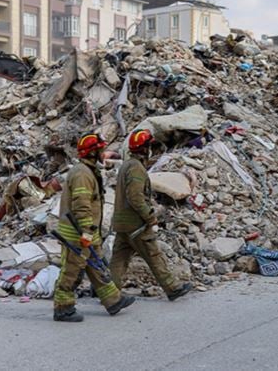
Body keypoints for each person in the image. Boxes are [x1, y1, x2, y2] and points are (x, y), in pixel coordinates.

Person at [53, 132, 134, 322]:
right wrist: (86, 232)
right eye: (101, 150)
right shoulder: (82, 174)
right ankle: (63, 308)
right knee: (72, 270)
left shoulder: (88, 170)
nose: (104, 153)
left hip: (89, 231)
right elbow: (82, 205)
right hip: (78, 233)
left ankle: (113, 300)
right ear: (93, 152)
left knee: (97, 267)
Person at [109, 129, 193, 301]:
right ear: (144, 149)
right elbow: (136, 197)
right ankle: (172, 287)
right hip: (136, 224)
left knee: (119, 259)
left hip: (121, 223)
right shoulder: (136, 168)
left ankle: (107, 290)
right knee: (153, 254)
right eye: (148, 146)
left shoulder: (126, 165)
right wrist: (149, 216)